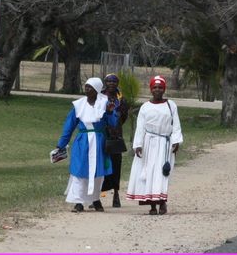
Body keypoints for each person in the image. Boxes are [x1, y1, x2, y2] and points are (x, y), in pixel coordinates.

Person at [56, 77, 119, 212]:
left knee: (98, 172)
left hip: (99, 141)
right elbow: (69, 126)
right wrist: (61, 144)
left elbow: (113, 123)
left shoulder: (105, 103)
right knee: (79, 171)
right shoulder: (78, 105)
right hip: (83, 141)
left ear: (96, 90)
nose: (87, 89)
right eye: (86, 87)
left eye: (90, 87)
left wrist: (109, 112)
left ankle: (95, 199)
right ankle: (78, 202)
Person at [126, 75, 183, 215]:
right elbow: (140, 127)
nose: (157, 90)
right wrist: (138, 144)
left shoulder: (171, 105)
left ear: (164, 89)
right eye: (155, 87)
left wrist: (176, 141)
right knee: (148, 174)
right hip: (148, 144)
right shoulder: (145, 107)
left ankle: (162, 202)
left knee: (161, 173)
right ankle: (152, 205)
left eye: (160, 87)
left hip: (164, 145)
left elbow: (176, 125)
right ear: (151, 89)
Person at [93, 73, 129, 210]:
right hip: (101, 135)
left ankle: (116, 194)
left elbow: (123, 117)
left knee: (116, 165)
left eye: (114, 81)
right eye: (109, 81)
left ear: (117, 83)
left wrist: (116, 127)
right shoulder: (99, 97)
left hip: (115, 137)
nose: (112, 83)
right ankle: (95, 196)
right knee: (99, 165)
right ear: (105, 83)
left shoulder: (121, 99)